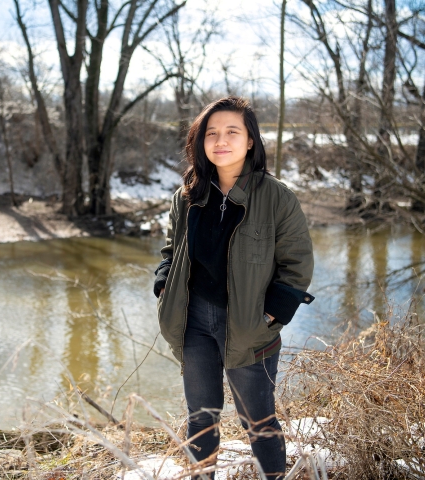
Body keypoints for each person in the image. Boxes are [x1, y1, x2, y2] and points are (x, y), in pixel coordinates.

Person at [154, 96, 314, 480]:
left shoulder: (276, 197)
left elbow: (297, 265)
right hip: (193, 323)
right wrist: (163, 284)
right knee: (201, 420)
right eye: (211, 133)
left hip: (249, 328)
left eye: (232, 132)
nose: (220, 141)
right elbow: (171, 250)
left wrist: (269, 315)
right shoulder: (188, 195)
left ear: (250, 142)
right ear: (200, 142)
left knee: (258, 422)